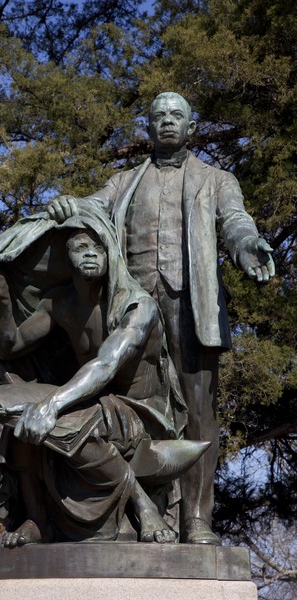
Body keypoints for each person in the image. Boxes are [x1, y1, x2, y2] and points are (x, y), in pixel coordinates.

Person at [47, 92, 275, 545]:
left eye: (177, 116)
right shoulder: (122, 181)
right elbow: (88, 210)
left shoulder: (216, 179)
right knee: (123, 405)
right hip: (131, 307)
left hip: (191, 305)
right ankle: (129, 516)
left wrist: (247, 246)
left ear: (192, 128)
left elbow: (235, 220)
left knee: (197, 412)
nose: (168, 122)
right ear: (147, 128)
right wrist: (67, 205)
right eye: (159, 116)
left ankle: (196, 518)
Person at [0, 222, 202, 547]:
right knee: (21, 417)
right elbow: (9, 346)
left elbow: (106, 364)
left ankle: (141, 506)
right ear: (65, 258)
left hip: (140, 412)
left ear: (111, 253)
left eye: (96, 248)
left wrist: (53, 404)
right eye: (79, 248)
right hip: (92, 401)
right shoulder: (59, 303)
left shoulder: (137, 307)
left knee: (71, 417)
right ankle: (37, 520)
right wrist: (1, 303)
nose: (89, 254)